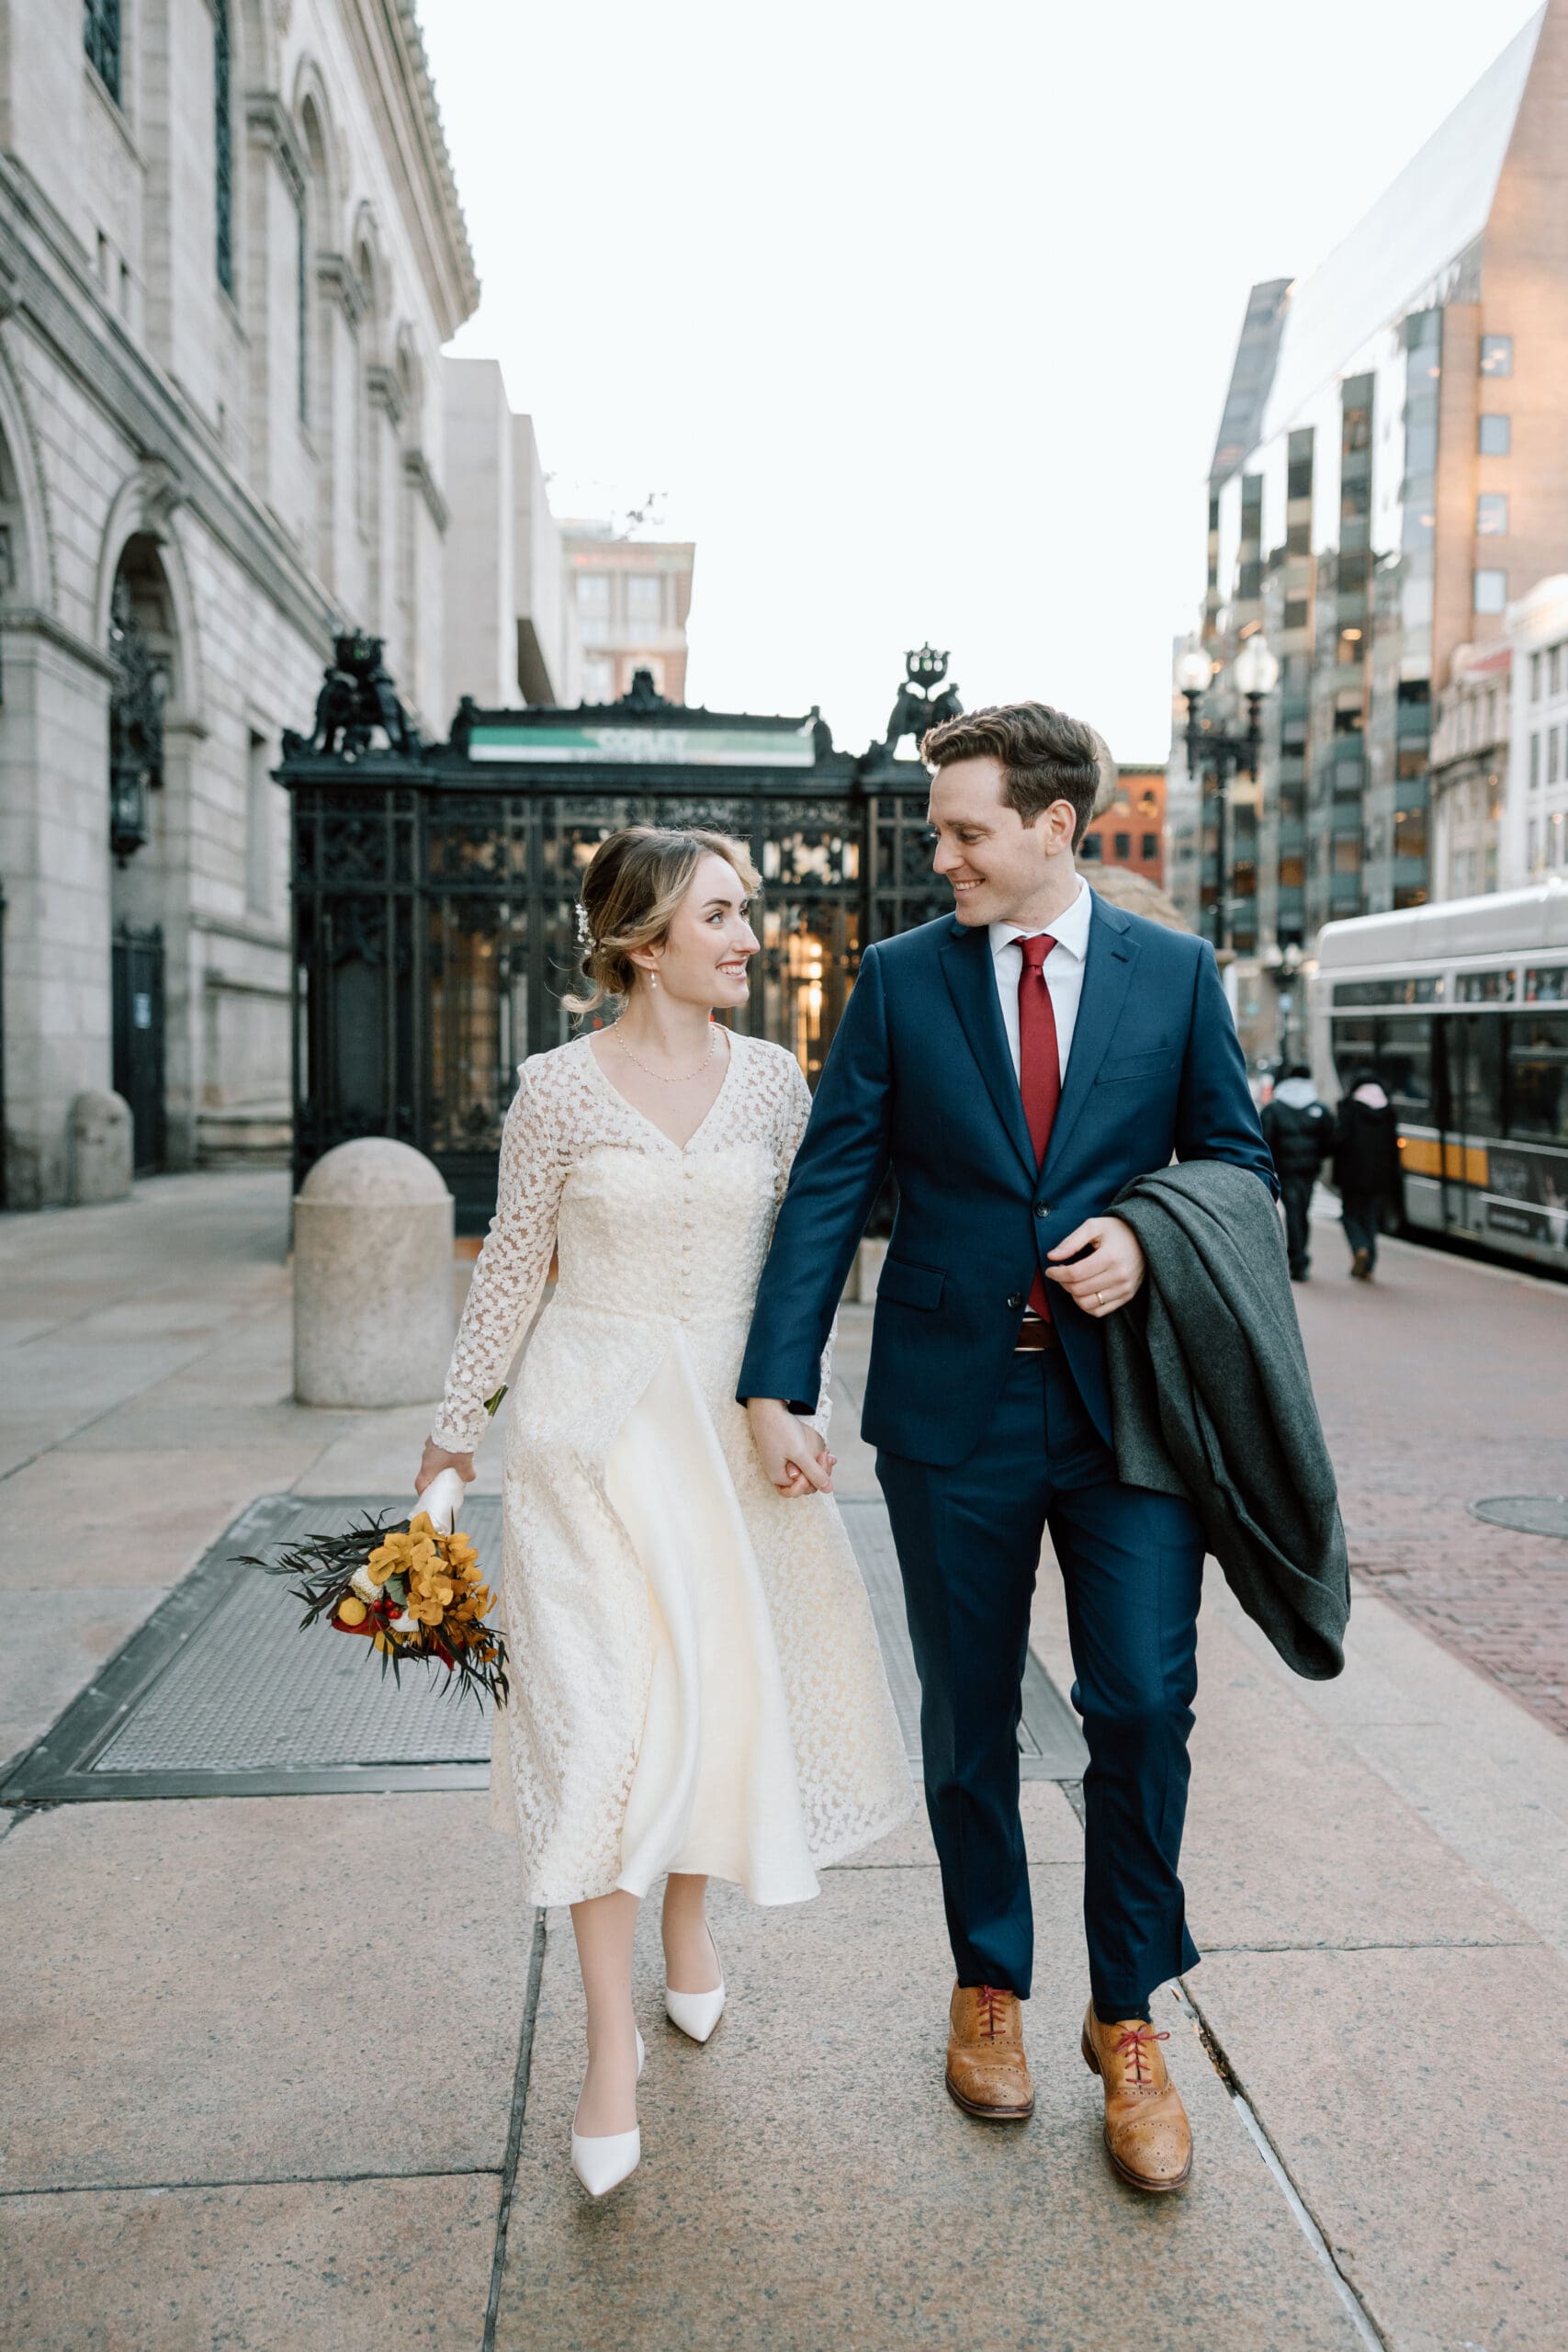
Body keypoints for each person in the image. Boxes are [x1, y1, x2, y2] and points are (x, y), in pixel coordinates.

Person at [738, 702, 1276, 2196]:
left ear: (1054, 826)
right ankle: (987, 1982)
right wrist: (779, 1377)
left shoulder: (1171, 979)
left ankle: (1129, 2015)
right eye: (936, 828)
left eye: (965, 830)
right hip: (946, 1418)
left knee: (1143, 1708)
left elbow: (1236, 1162)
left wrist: (1146, 1242)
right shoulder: (903, 983)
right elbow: (829, 1180)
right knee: (967, 1719)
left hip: (1128, 1420)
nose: (942, 854)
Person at [416, 827, 911, 2200]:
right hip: (585, 1437)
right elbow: (512, 1268)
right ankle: (604, 2049)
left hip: (726, 1431)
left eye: (745, 913)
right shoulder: (554, 1092)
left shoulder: (772, 1084)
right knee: (596, 1724)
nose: (749, 937)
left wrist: (798, 1398)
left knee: (713, 1701)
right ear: (644, 943)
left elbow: (807, 1260)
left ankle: (689, 1919)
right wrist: (451, 1440)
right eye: (722, 915)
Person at [1260, 1063, 1334, 1280]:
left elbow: (1265, 1138)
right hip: (1309, 1170)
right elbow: (1330, 1139)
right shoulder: (1318, 1108)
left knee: (1293, 1211)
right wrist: (1318, 1156)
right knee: (1302, 1211)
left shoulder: (1275, 1108)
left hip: (1286, 1168)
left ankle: (1297, 1258)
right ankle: (1300, 1256)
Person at [1333, 1067, 1402, 1279]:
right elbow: (1393, 1148)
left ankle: (1359, 1247)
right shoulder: (1388, 1111)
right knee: (1370, 1218)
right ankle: (1369, 1263)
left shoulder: (1349, 1108)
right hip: (1379, 1176)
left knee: (1349, 1215)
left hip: (1352, 1175)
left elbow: (1339, 1139)